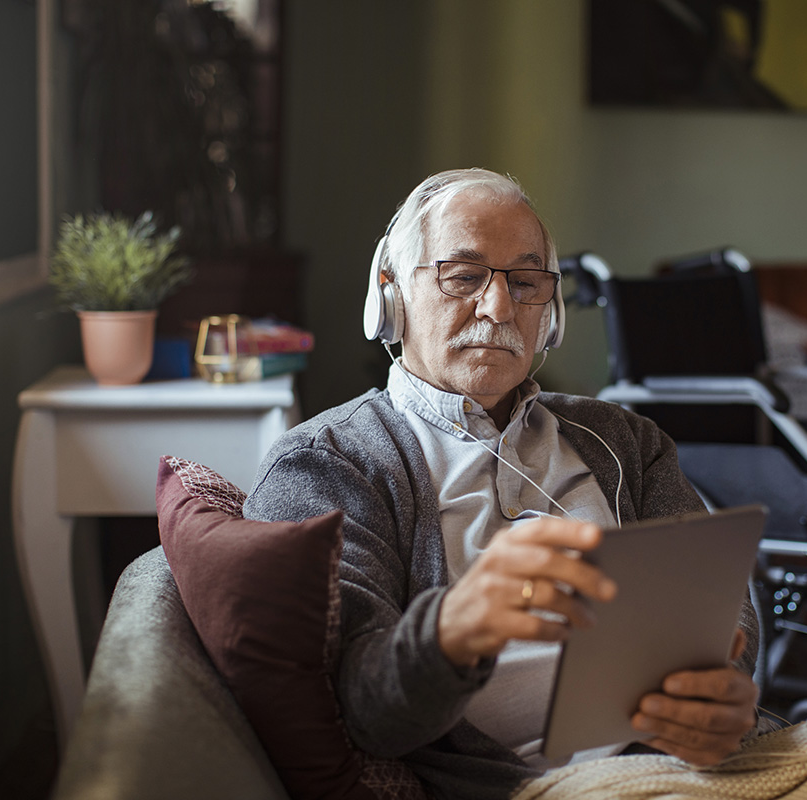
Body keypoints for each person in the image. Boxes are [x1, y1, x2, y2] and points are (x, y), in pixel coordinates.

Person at [243, 167, 762, 799]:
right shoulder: (327, 464)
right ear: (391, 295)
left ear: (552, 311)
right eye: (463, 276)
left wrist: (722, 694)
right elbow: (356, 709)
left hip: (696, 769)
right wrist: (452, 630)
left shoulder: (628, 441)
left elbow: (723, 608)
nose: (498, 307)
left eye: (525, 282)